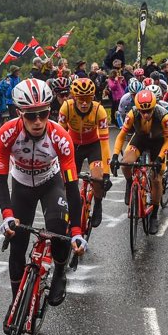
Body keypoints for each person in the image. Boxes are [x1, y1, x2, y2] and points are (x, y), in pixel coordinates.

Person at [0, 78, 85, 330]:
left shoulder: (61, 137)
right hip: (21, 185)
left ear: (50, 111)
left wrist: (77, 232)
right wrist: (6, 215)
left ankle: (59, 271)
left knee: (58, 229)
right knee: (17, 244)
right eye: (31, 115)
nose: (38, 121)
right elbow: (0, 180)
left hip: (50, 182)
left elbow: (71, 187)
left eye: (43, 114)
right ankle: (16, 303)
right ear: (19, 113)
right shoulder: (7, 133)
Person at [110, 89, 168, 234]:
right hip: (140, 139)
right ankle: (129, 183)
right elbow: (121, 136)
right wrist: (114, 156)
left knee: (156, 179)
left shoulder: (163, 115)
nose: (146, 114)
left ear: (154, 106)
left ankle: (154, 215)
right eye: (142, 111)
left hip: (158, 142)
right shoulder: (132, 113)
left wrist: (159, 158)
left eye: (149, 111)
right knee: (126, 163)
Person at [58, 78, 111, 227]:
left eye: (88, 99)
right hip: (73, 145)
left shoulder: (98, 110)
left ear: (92, 98)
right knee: (67, 181)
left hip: (93, 145)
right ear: (74, 97)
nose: (84, 103)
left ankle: (98, 204)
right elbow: (59, 137)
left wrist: (106, 173)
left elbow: (105, 142)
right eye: (80, 99)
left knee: (97, 177)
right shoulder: (66, 108)